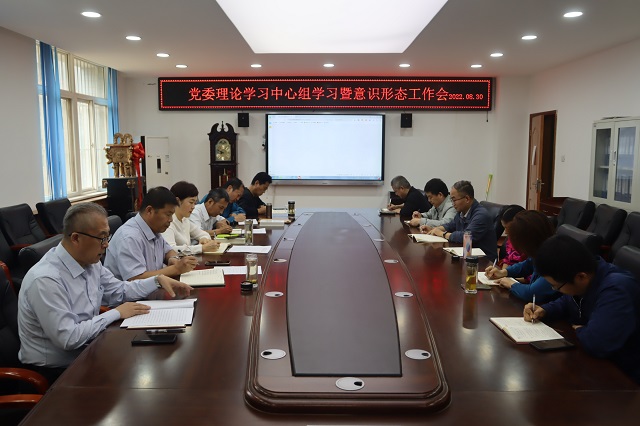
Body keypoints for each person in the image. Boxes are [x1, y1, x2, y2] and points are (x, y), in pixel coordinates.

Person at [17, 203, 192, 383]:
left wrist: (157, 280)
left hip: (88, 350)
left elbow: (120, 290)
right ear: (76, 238)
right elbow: (68, 338)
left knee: (157, 365)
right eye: (101, 238)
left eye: (108, 237)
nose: (107, 245)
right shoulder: (46, 279)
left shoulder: (90, 262)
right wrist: (116, 313)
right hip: (55, 372)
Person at [524, 234, 640, 384]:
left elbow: (597, 343)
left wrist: (580, 330)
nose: (556, 290)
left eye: (556, 286)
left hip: (624, 378)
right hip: (593, 364)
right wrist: (545, 310)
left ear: (581, 277)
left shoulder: (617, 289)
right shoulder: (587, 277)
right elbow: (567, 302)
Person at [104, 186, 199, 281]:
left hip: (154, 288)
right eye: (168, 214)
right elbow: (136, 279)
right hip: (132, 290)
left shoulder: (154, 228)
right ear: (149, 211)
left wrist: (173, 258)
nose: (171, 220)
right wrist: (176, 269)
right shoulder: (129, 237)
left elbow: (168, 250)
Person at [484, 210, 558, 303]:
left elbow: (532, 294)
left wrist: (511, 284)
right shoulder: (540, 248)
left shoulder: (554, 258)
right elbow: (528, 264)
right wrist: (503, 272)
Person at [428, 180, 498, 262]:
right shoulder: (462, 211)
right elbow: (451, 225)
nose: (452, 203)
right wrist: (436, 229)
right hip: (466, 255)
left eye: (454, 200)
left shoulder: (481, 215)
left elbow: (466, 236)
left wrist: (442, 234)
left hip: (484, 262)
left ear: (467, 199)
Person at [162, 181, 220, 254]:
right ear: (178, 201)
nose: (193, 207)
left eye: (195, 203)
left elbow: (203, 234)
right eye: (191, 202)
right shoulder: (168, 222)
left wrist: (204, 239)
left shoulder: (184, 220)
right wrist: (201, 248)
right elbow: (171, 249)